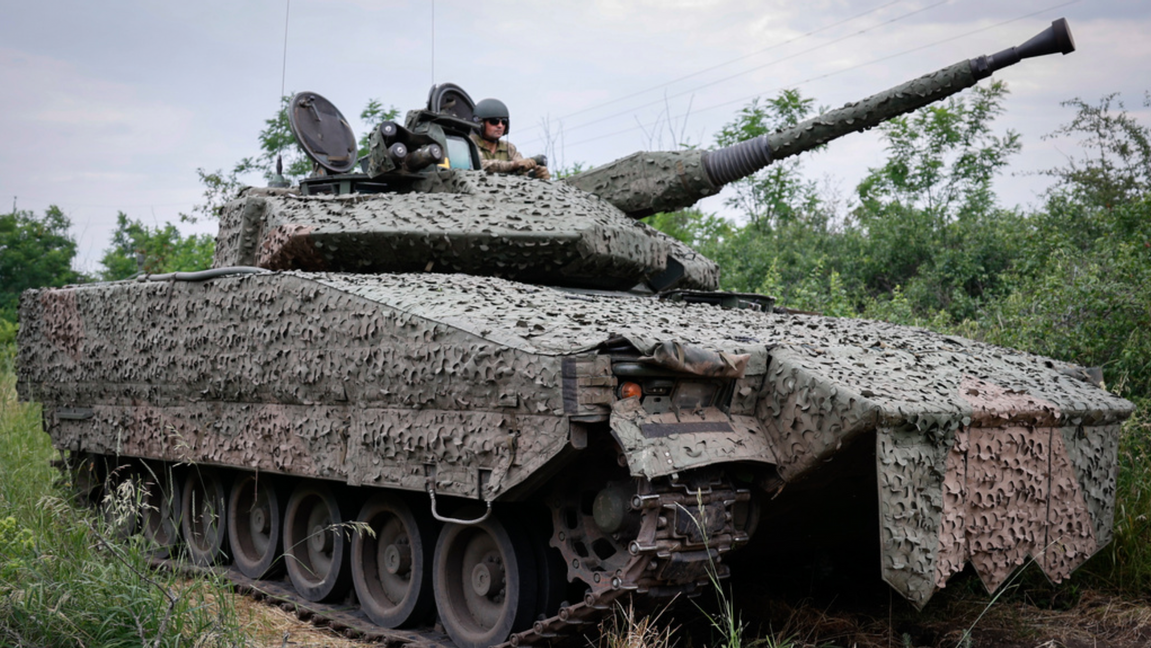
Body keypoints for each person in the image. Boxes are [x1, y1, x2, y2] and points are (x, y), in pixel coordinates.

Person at [470, 98, 551, 180]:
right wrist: (513, 165)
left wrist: (537, 175)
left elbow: (521, 173)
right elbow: (482, 165)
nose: (500, 125)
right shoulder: (469, 142)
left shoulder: (509, 148)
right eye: (494, 121)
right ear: (480, 123)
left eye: (504, 122)